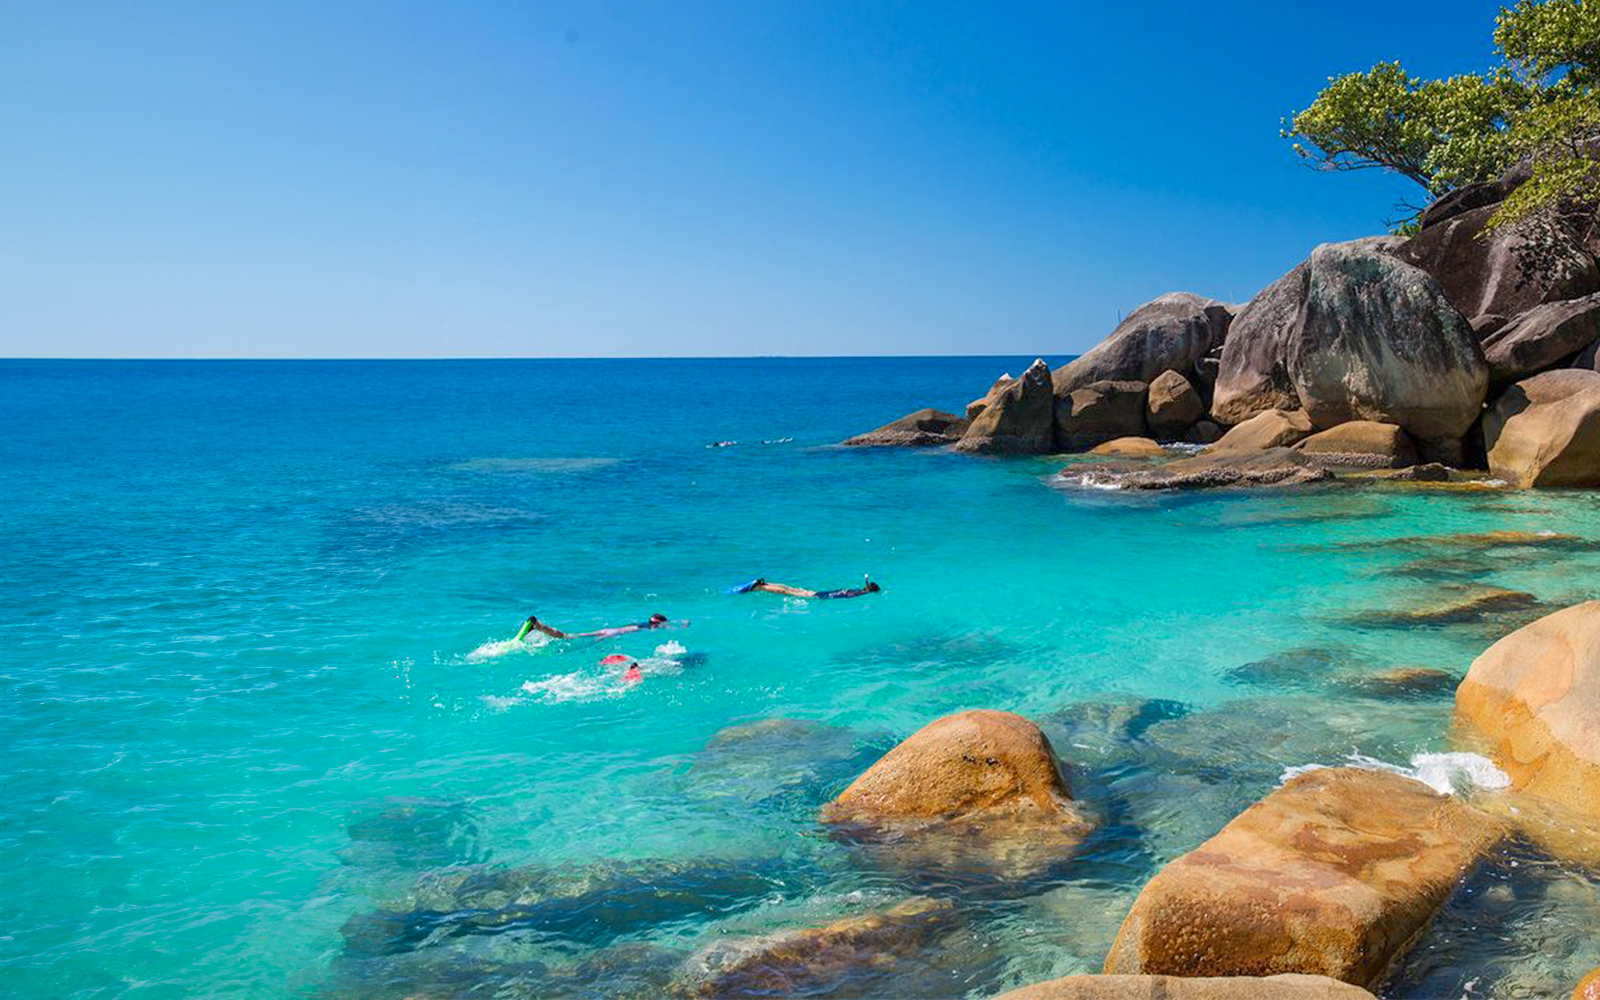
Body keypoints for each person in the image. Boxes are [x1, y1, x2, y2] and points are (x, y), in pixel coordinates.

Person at [517, 612, 670, 641]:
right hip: (612, 633)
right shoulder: (650, 626)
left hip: (611, 631)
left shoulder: (643, 623)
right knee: (570, 637)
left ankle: (539, 626)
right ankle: (538, 626)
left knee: (571, 636)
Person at [734, 576, 881, 600]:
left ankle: (765, 584)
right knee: (789, 591)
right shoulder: (859, 593)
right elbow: (847, 595)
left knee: (791, 589)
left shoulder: (858, 591)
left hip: (823, 593)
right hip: (822, 596)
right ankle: (760, 587)